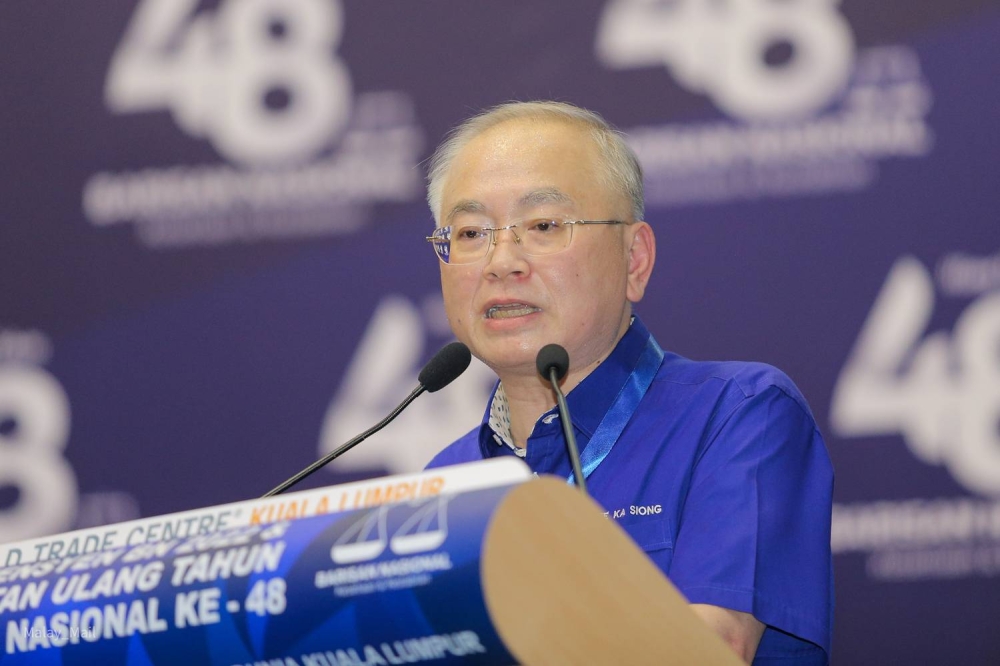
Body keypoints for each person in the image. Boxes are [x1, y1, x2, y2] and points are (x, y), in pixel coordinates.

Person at [423, 101, 833, 665]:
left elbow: (709, 651)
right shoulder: (443, 484)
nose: (502, 261)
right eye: (470, 232)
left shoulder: (739, 417)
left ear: (634, 259)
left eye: (543, 226)